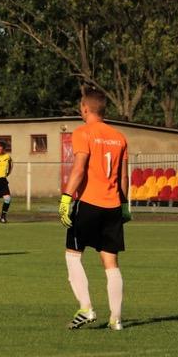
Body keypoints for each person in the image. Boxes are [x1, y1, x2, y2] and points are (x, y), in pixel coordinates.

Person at [58, 89, 130, 331]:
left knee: (73, 254)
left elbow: (79, 168)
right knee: (111, 262)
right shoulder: (119, 137)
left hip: (89, 203)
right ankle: (116, 319)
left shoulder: (83, 132)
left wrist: (66, 198)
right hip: (113, 206)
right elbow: (123, 176)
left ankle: (86, 308)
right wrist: (124, 204)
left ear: (85, 108)